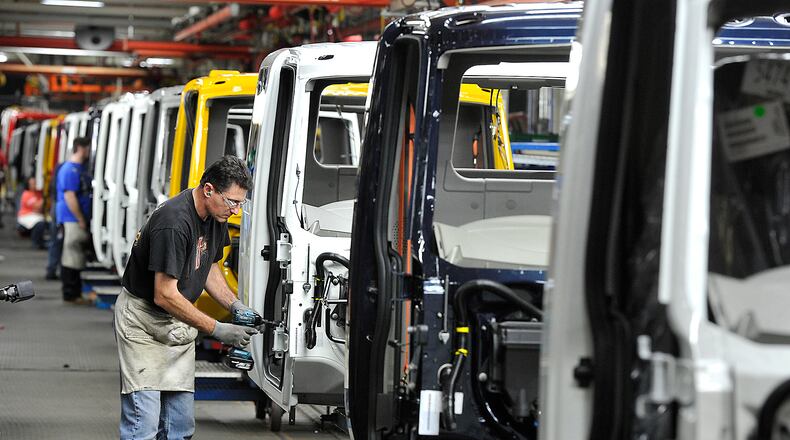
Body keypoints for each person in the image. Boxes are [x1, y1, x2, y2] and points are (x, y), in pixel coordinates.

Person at [115, 155, 257, 440]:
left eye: (241, 203)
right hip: (143, 324)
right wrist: (218, 329)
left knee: (179, 427)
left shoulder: (216, 215)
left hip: (176, 323)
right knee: (143, 422)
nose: (236, 210)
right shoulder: (174, 222)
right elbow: (165, 294)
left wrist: (234, 305)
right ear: (208, 190)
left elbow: (208, 265)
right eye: (232, 202)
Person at [55, 136, 92, 303]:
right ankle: (70, 293)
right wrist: (80, 218)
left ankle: (75, 293)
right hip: (71, 218)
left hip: (74, 217)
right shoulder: (70, 170)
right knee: (71, 254)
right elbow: (70, 196)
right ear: (82, 149)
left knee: (74, 254)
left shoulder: (78, 168)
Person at [16, 176, 47, 249]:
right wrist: (44, 198)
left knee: (43, 221)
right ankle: (36, 242)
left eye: (35, 183)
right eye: (32, 183)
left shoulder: (38, 193)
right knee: (39, 223)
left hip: (35, 215)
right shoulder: (26, 194)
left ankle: (41, 241)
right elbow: (37, 207)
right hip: (26, 215)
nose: (34, 185)